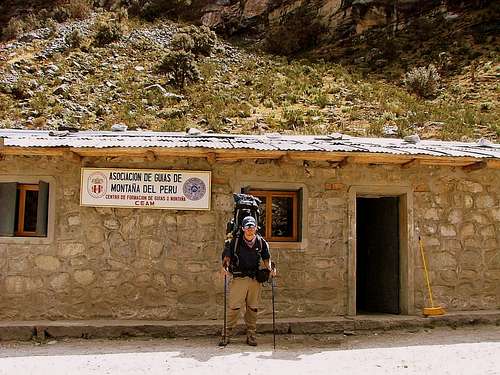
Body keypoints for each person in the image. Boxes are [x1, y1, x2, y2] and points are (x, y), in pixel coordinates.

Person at [220, 216, 276, 346]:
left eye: (252, 227)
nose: (250, 230)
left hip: (255, 279)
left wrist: (271, 269)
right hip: (239, 278)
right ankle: (226, 334)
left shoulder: (261, 242)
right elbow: (227, 257)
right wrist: (225, 267)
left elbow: (266, 259)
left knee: (253, 308)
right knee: (234, 307)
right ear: (243, 228)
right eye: (247, 227)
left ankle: (251, 334)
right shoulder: (235, 242)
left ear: (256, 228)